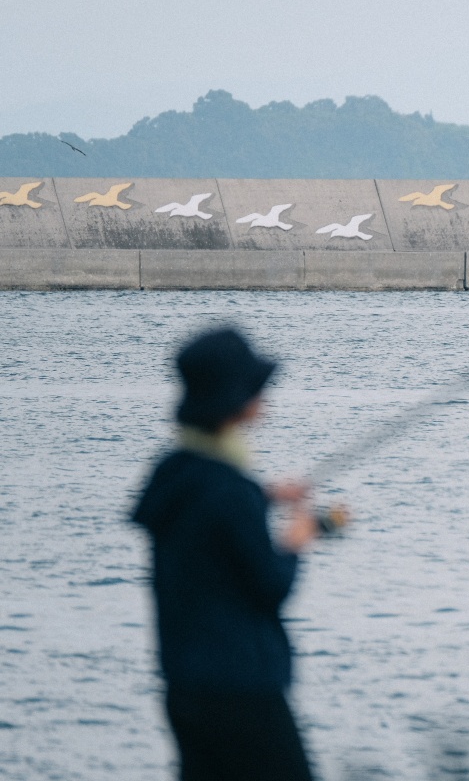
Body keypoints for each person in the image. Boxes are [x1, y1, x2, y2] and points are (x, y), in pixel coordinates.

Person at [131, 327, 319, 781]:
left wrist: (264, 495)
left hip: (184, 687)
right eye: (257, 388)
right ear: (235, 401)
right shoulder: (231, 492)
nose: (265, 397)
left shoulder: (174, 473)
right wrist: (297, 537)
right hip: (243, 689)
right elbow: (272, 585)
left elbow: (207, 509)